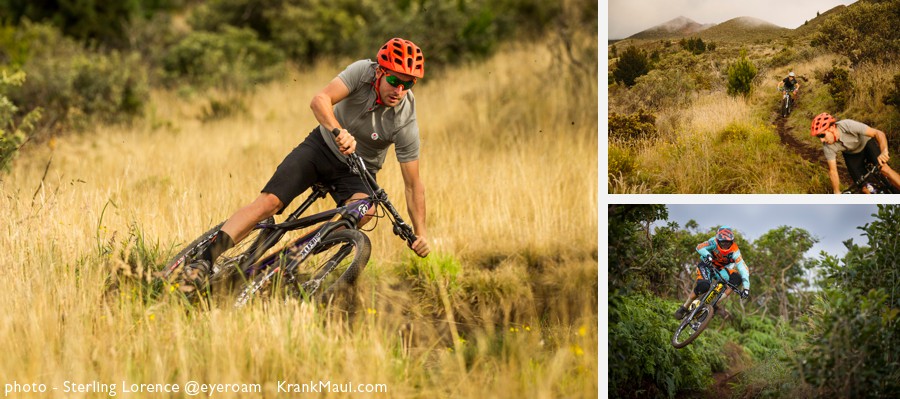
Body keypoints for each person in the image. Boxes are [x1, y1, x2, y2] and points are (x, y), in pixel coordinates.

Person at [185, 37, 431, 285]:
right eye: (393, 80)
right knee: (268, 203)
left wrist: (420, 234)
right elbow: (320, 100)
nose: (399, 90)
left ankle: (290, 259)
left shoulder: (405, 119)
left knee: (364, 211)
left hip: (358, 170)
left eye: (408, 83)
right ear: (379, 71)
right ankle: (202, 261)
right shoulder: (361, 72)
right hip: (321, 148)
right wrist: (338, 131)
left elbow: (413, 184)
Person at [810, 112, 900, 194]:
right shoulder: (827, 146)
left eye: (822, 135)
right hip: (851, 154)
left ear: (832, 127)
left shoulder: (847, 125)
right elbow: (833, 171)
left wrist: (884, 151)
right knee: (865, 188)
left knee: (885, 169)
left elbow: (878, 133)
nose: (822, 140)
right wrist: (836, 191)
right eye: (819, 137)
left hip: (866, 144)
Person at [673, 226, 750, 320]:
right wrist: (708, 255)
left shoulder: (735, 251)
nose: (725, 245)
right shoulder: (713, 242)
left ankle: (714, 303)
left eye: (728, 242)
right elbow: (699, 247)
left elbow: (742, 267)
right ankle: (684, 307)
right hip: (706, 266)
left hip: (721, 269)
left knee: (737, 278)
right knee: (704, 286)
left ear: (732, 241)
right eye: (723, 242)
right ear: (718, 240)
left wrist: (746, 288)